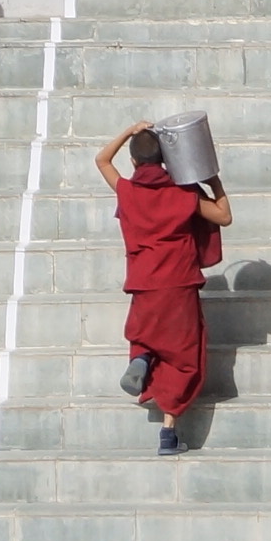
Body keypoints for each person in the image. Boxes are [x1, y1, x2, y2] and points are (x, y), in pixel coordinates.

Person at [96, 120, 231, 454]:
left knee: (146, 335)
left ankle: (142, 356)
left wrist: (128, 130)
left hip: (143, 284)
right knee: (184, 358)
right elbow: (223, 216)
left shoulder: (127, 190)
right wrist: (209, 176)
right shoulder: (182, 194)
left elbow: (101, 160)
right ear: (166, 161)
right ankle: (169, 433)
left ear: (134, 162)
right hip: (180, 283)